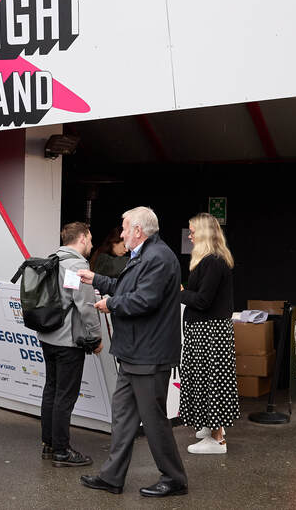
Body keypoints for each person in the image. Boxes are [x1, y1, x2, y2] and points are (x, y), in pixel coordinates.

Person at [77, 206, 187, 498]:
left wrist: (110, 304)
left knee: (153, 420)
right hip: (134, 353)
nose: (122, 234)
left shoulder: (158, 257)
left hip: (148, 355)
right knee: (123, 417)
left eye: (125, 228)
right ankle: (112, 477)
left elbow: (144, 300)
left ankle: (174, 479)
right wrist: (95, 279)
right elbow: (126, 287)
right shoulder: (145, 255)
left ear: (138, 230)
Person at [38, 222, 103, 468]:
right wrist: (95, 337)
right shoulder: (76, 265)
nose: (92, 245)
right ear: (83, 238)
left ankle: (49, 444)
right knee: (65, 396)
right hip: (68, 341)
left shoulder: (52, 259)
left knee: (51, 390)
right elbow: (84, 305)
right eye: (91, 239)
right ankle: (62, 451)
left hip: (47, 336)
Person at [179, 213, 240, 454]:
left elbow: (203, 301)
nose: (190, 236)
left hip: (209, 333)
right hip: (207, 331)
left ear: (204, 233)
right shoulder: (211, 260)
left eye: (193, 232)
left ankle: (217, 439)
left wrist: (179, 292)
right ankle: (212, 427)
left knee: (211, 381)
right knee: (207, 380)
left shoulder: (213, 261)